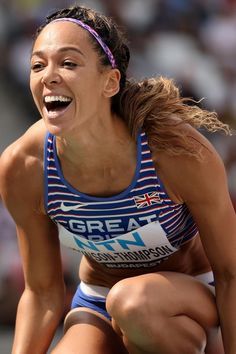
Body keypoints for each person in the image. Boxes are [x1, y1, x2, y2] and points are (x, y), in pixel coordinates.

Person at [0, 5, 236, 354]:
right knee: (119, 307)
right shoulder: (24, 166)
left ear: (110, 82)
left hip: (196, 297)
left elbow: (232, 274)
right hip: (98, 300)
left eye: (68, 63)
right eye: (38, 65)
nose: (48, 76)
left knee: (134, 304)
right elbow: (42, 291)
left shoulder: (173, 150)